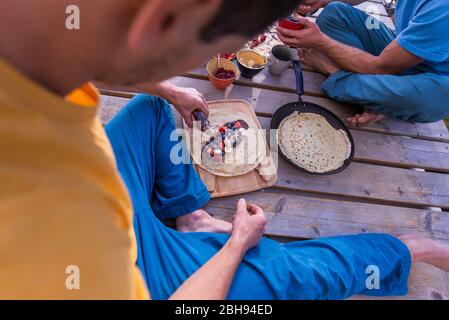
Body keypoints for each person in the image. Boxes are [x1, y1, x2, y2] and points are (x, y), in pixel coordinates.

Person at [1, 0, 448, 300]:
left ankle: (190, 216)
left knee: (152, 105)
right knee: (290, 274)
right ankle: (409, 249)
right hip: (137, 275)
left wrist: (169, 91)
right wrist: (237, 244)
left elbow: (80, 56)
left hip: (89, 198)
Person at [277, 0, 449, 126]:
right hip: (402, 50)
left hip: (436, 83)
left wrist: (321, 42)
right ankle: (381, 97)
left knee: (433, 97)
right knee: (335, 12)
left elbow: (380, 66)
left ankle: (336, 73)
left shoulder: (443, 9)